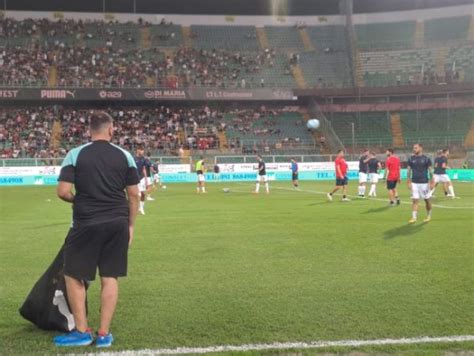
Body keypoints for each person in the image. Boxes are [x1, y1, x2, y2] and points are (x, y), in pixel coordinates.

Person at [54, 111, 139, 347]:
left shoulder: (75, 154)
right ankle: (103, 334)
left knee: (73, 274)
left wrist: (78, 200)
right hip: (117, 223)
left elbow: (62, 191)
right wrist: (130, 225)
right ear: (111, 130)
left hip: (85, 223)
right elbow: (133, 195)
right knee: (110, 277)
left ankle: (82, 331)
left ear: (89, 131)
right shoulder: (125, 156)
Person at [407, 143, 433, 223]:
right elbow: (409, 170)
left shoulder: (426, 159)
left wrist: (432, 182)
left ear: (421, 148)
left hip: (424, 183)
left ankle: (429, 215)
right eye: (413, 148)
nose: (414, 149)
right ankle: (414, 218)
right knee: (415, 200)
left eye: (416, 148)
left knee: (427, 200)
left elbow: (430, 171)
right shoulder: (411, 159)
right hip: (414, 182)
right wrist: (408, 181)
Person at [135, 147, 151, 214]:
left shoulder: (143, 159)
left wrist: (146, 180)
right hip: (133, 178)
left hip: (141, 178)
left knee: (142, 194)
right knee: (134, 194)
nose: (142, 152)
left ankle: (141, 208)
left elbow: (144, 169)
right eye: (141, 150)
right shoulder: (133, 158)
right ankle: (133, 208)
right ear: (138, 150)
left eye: (143, 150)